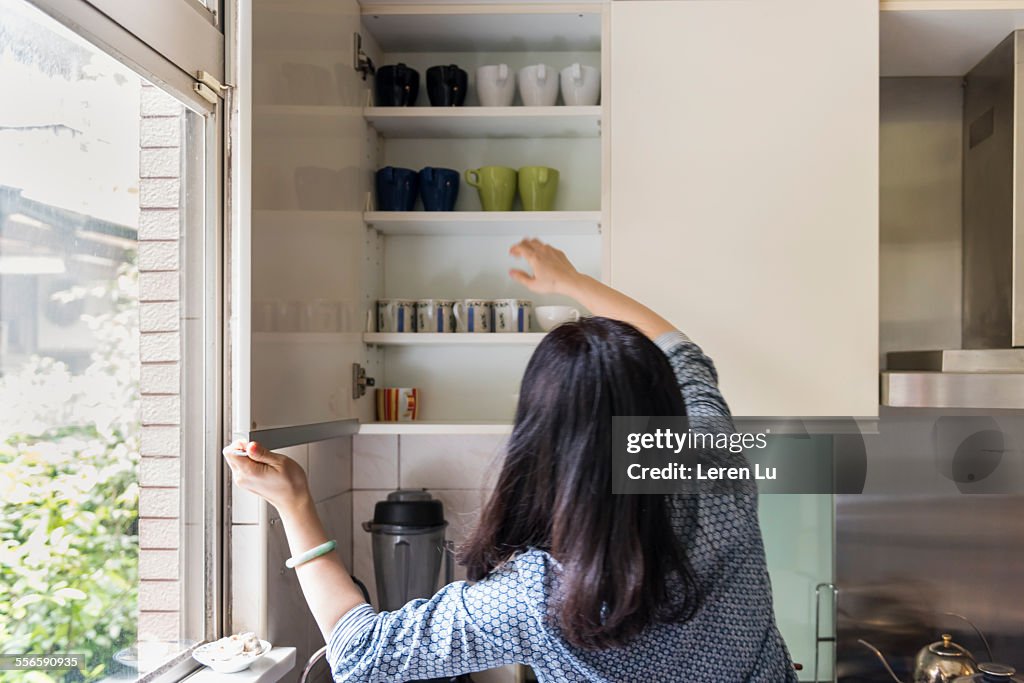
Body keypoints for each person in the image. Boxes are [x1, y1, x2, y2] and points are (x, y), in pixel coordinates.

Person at [224, 239, 797, 682]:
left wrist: (295, 504)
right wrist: (572, 281)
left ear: (539, 439)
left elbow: (361, 654)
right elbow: (683, 352)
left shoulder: (541, 595)